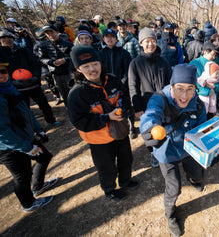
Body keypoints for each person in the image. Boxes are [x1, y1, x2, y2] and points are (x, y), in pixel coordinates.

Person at [140, 64, 207, 237]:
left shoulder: (198, 105)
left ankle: (194, 180)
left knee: (199, 174)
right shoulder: (159, 99)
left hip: (188, 149)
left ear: (195, 89)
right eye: (179, 89)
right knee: (174, 188)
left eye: (190, 89)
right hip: (166, 151)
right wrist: (150, 128)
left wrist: (211, 150)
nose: (184, 96)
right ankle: (170, 215)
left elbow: (202, 130)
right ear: (172, 87)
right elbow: (150, 114)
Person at [68, 44, 138, 201]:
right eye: (86, 66)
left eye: (95, 64)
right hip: (99, 140)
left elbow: (125, 97)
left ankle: (125, 181)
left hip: (120, 132)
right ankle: (109, 189)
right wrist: (107, 118)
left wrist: (123, 107)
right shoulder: (77, 93)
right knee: (106, 167)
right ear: (78, 69)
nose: (92, 69)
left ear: (101, 63)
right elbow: (79, 122)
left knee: (126, 159)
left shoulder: (112, 80)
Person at [0, 59, 58, 212]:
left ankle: (37, 186)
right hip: (8, 147)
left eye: (3, 71)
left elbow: (25, 110)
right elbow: (2, 132)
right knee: (22, 175)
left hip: (24, 137)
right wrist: (25, 147)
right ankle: (28, 203)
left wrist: (38, 129)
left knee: (44, 157)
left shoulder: (9, 88)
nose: (1, 75)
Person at [128, 28, 172, 167]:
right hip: (145, 104)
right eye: (147, 41)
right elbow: (133, 85)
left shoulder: (163, 61)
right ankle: (153, 153)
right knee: (149, 130)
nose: (150, 44)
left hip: (163, 102)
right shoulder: (135, 63)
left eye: (153, 41)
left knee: (163, 128)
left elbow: (170, 83)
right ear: (141, 43)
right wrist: (137, 107)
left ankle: (164, 150)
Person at [0, 29, 60, 126]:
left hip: (32, 84)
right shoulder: (1, 54)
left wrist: (36, 77)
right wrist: (11, 81)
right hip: (15, 87)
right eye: (4, 38)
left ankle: (51, 121)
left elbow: (35, 64)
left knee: (44, 105)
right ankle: (31, 128)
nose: (7, 40)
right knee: (24, 109)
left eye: (9, 37)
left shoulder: (23, 51)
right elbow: (2, 72)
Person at [37, 24, 73, 106]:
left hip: (69, 72)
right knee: (64, 95)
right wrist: (51, 62)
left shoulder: (68, 44)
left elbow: (74, 56)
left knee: (74, 93)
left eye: (52, 32)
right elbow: (41, 58)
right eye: (47, 33)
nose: (51, 35)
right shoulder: (43, 45)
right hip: (56, 74)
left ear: (57, 32)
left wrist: (65, 60)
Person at [189, 43, 219, 119]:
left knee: (208, 120)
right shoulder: (194, 64)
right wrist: (207, 91)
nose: (214, 57)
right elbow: (192, 82)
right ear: (205, 52)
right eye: (212, 54)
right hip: (197, 99)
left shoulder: (214, 64)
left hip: (212, 99)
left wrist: (214, 88)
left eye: (215, 55)